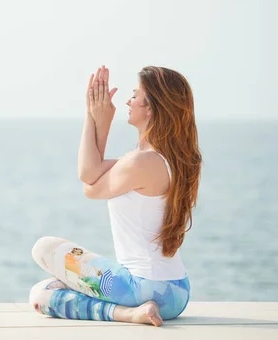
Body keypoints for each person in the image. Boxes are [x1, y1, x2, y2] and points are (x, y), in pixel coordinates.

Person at [28, 65, 202, 326]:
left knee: (42, 285)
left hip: (140, 288)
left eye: (135, 95)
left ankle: (130, 314)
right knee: (58, 285)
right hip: (177, 292)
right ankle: (136, 309)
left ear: (151, 108)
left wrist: (95, 119)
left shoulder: (139, 163)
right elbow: (94, 173)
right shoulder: (168, 162)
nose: (128, 101)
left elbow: (89, 180)